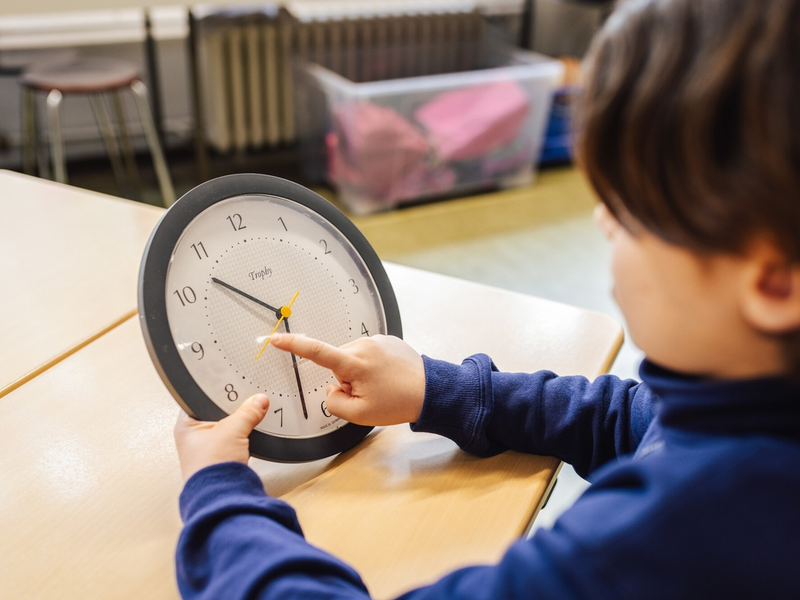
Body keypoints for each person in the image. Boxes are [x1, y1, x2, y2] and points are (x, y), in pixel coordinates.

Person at [173, 0, 800, 597]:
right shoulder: (753, 399)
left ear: (773, 282)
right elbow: (631, 419)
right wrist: (436, 389)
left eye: (631, 213)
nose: (604, 225)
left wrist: (220, 494)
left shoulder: (669, 536)